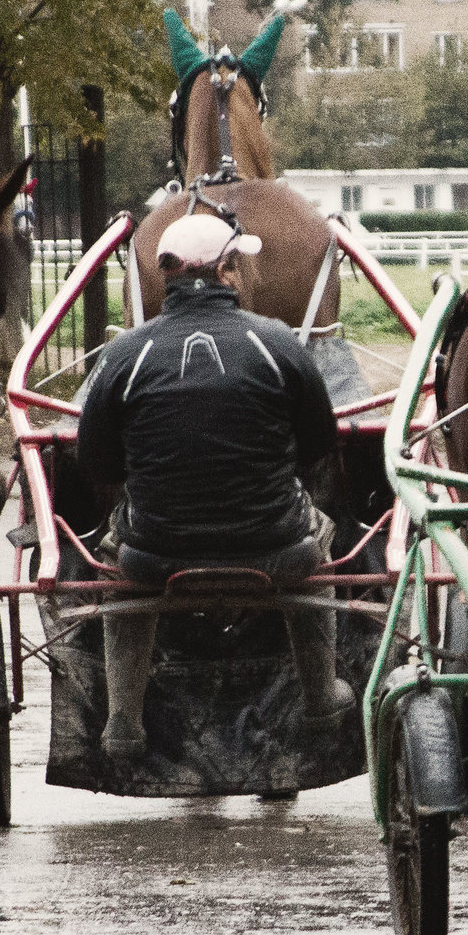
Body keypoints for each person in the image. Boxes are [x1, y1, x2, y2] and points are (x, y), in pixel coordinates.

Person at [78, 212, 349, 763]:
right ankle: (323, 696)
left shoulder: (124, 356)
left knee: (117, 564)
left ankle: (123, 724)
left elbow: (98, 465)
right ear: (227, 271)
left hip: (153, 558)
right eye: (238, 263)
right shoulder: (277, 341)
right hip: (279, 551)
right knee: (318, 532)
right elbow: (320, 445)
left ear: (168, 276)